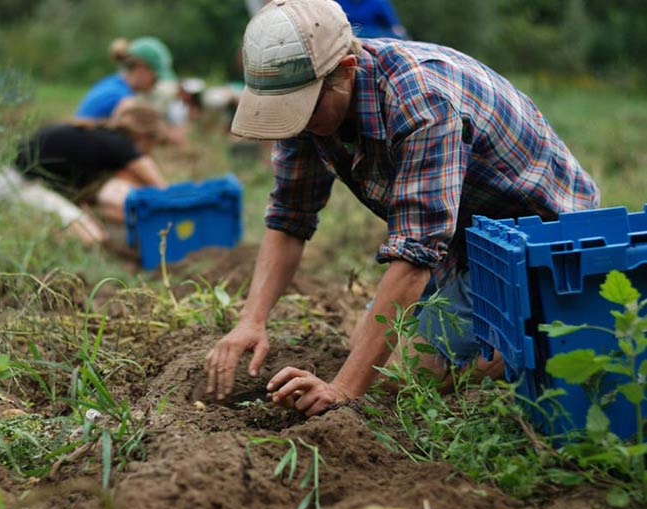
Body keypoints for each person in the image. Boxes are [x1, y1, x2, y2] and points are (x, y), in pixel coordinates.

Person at [204, 0, 600, 416]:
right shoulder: (311, 105)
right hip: (460, 240)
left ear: (344, 69)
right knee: (365, 351)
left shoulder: (421, 102)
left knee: (398, 379)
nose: (298, 122)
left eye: (306, 106)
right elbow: (289, 216)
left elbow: (415, 255)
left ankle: (537, 340)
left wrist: (343, 390)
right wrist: (252, 320)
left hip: (533, 240)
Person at [0, 102, 169, 246]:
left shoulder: (101, 136)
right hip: (13, 188)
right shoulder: (121, 145)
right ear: (144, 136)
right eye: (155, 144)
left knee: (95, 228)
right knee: (91, 237)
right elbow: (161, 188)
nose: (151, 151)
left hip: (6, 181)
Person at [75, 36, 175, 121]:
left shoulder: (112, 84)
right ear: (141, 68)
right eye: (156, 77)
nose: (156, 84)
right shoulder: (120, 98)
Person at [335, 0, 408, 39]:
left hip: (373, 38)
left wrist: (405, 39)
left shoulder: (379, 2)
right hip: (347, 37)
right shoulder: (339, 2)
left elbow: (395, 27)